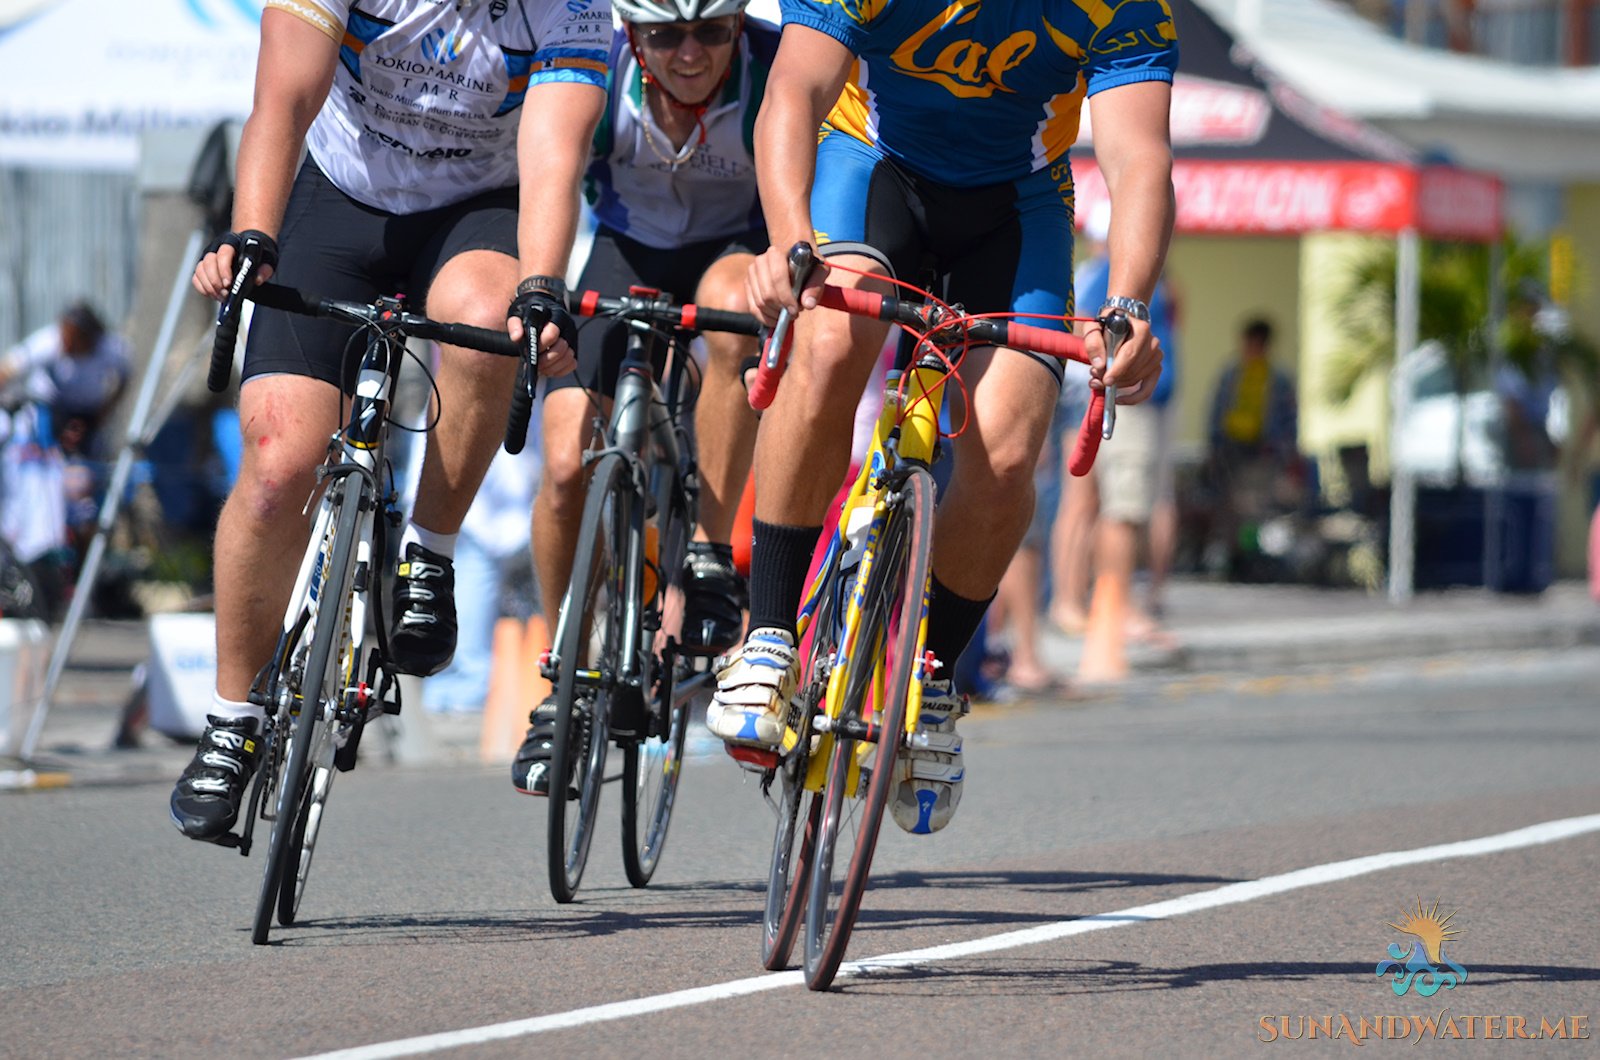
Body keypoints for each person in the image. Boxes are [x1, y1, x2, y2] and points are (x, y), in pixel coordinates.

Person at [712, 0, 1176, 835]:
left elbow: (1139, 156)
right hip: (871, 167)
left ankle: (931, 678)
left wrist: (1129, 305)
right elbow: (793, 90)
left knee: (1004, 450)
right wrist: (789, 244)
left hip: (1015, 208)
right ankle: (771, 635)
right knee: (828, 342)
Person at [169, 0, 610, 843]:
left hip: (476, 210)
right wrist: (253, 232)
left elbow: (554, 158)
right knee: (275, 469)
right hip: (341, 194)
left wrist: (542, 290)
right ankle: (231, 721)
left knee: (489, 326)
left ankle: (429, 555)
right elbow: (284, 101)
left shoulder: (571, 8)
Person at [511, 0, 777, 796]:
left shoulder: (771, 66)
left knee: (731, 322)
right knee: (565, 467)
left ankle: (704, 548)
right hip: (627, 247)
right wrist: (544, 290)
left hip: (735, 247)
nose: (689, 53)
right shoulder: (602, 61)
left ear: (737, 28)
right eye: (665, 34)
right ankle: (564, 678)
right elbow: (551, 166)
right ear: (633, 35)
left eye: (711, 32)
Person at [1074, 202, 1181, 639]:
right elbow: (1091, 333)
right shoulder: (1112, 272)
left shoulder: (1139, 274)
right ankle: (1116, 608)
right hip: (1129, 404)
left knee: (1130, 510)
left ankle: (1116, 605)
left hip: (1143, 403)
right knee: (1124, 511)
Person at [1205, 316, 1297, 575]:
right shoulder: (1232, 373)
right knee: (1232, 508)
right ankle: (1235, 557)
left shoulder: (1277, 378)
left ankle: (1255, 556)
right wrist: (1214, 446)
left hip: (1262, 452)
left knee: (1256, 507)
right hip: (1232, 451)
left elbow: (1288, 419)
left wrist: (1286, 452)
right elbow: (1216, 411)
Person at [0, 301, 131, 459]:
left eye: (72, 339)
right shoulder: (50, 341)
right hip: (50, 408)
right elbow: (9, 367)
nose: (65, 344)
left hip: (90, 412)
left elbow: (125, 374)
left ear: (87, 337)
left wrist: (107, 408)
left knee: (95, 455)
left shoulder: (110, 348)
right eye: (64, 337)